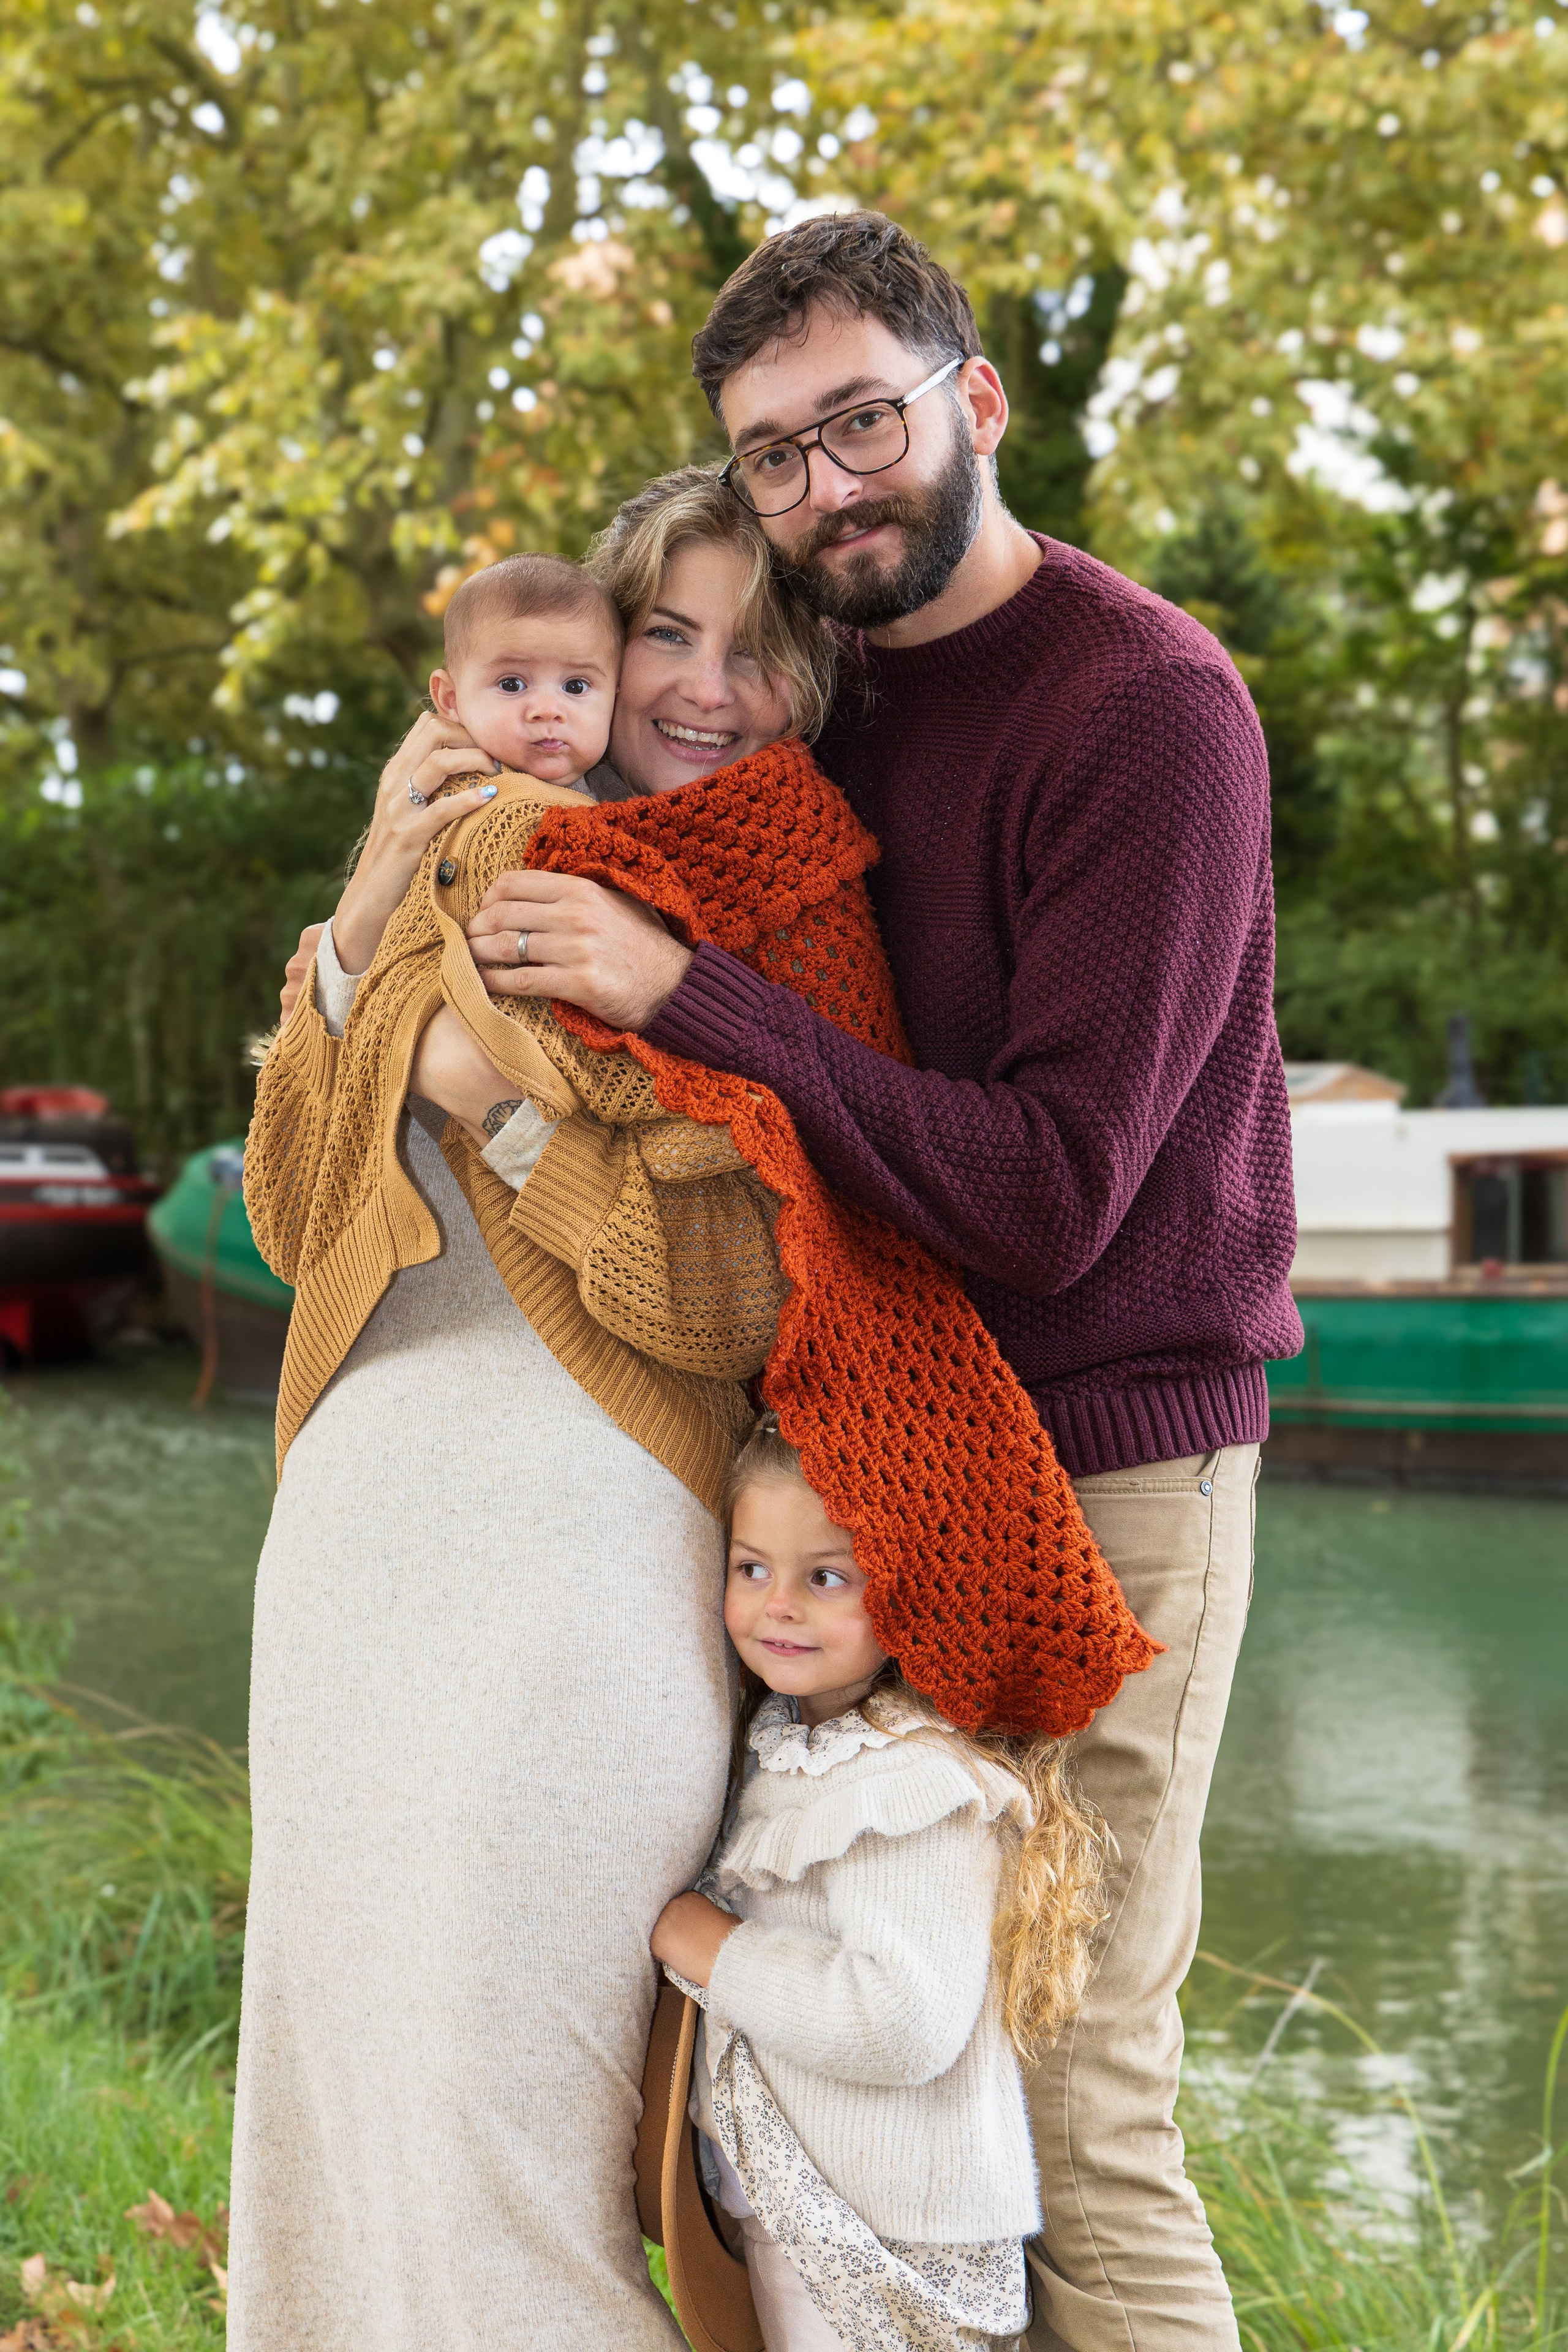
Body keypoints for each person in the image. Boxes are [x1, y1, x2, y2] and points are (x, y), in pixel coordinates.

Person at [464, 212, 1304, 2352]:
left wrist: (693, 995)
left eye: (863, 422)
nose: (828, 486)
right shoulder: (817, 704)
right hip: (853, 1463)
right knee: (851, 2056)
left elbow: (1047, 1201)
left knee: (1068, 2071)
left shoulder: (1150, 714)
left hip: (1107, 1465)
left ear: (975, 402)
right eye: (772, 455)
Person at [229, 485, 829, 2352]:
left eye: (754, 645)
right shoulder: (432, 859)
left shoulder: (779, 906)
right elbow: (289, 1219)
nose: (698, 685)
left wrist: (497, 1105)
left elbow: (729, 1306)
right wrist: (352, 945)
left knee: (508, 2133)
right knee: (335, 2106)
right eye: (665, 637)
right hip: (352, 1527)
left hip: (586, 1544)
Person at [650, 1411, 1107, 2352]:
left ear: (910, 1589)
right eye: (751, 1568)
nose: (778, 1605)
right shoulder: (800, 1741)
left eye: (826, 1578)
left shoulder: (908, 1787)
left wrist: (712, 1947)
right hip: (819, 2203)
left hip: (884, 2230)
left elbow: (901, 2022)